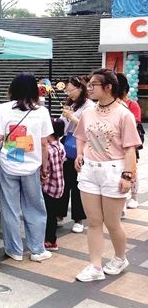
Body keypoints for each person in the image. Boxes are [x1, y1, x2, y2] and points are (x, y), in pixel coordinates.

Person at [74, 68, 141, 282]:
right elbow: (81, 136)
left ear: (108, 87)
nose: (89, 88)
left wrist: (127, 176)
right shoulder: (88, 112)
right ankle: (95, 266)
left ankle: (120, 257)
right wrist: (80, 154)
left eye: (93, 84)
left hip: (113, 170)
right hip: (89, 170)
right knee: (94, 222)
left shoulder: (124, 114)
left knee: (112, 223)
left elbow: (130, 148)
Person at [0, 73, 53, 263]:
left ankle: (14, 250)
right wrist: (45, 168)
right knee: (35, 208)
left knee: (9, 209)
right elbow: (44, 144)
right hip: (32, 167)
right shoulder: (41, 112)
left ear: (12, 89)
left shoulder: (3, 109)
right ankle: (37, 250)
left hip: (8, 165)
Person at [58, 76, 93, 233]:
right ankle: (59, 214)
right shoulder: (70, 104)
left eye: (70, 90)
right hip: (67, 144)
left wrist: (71, 117)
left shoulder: (89, 106)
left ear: (80, 88)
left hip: (81, 146)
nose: (68, 93)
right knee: (64, 182)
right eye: (67, 90)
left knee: (78, 184)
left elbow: (89, 128)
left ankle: (78, 219)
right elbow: (63, 125)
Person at [116, 72, 142, 210]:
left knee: (132, 169)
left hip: (129, 143)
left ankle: (134, 197)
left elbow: (134, 123)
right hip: (115, 145)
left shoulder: (132, 105)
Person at [42, 119, 66, 251]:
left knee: (48, 215)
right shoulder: (60, 145)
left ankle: (51, 241)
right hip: (58, 185)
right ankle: (50, 238)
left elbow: (45, 169)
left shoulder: (49, 150)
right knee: (52, 214)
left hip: (49, 187)